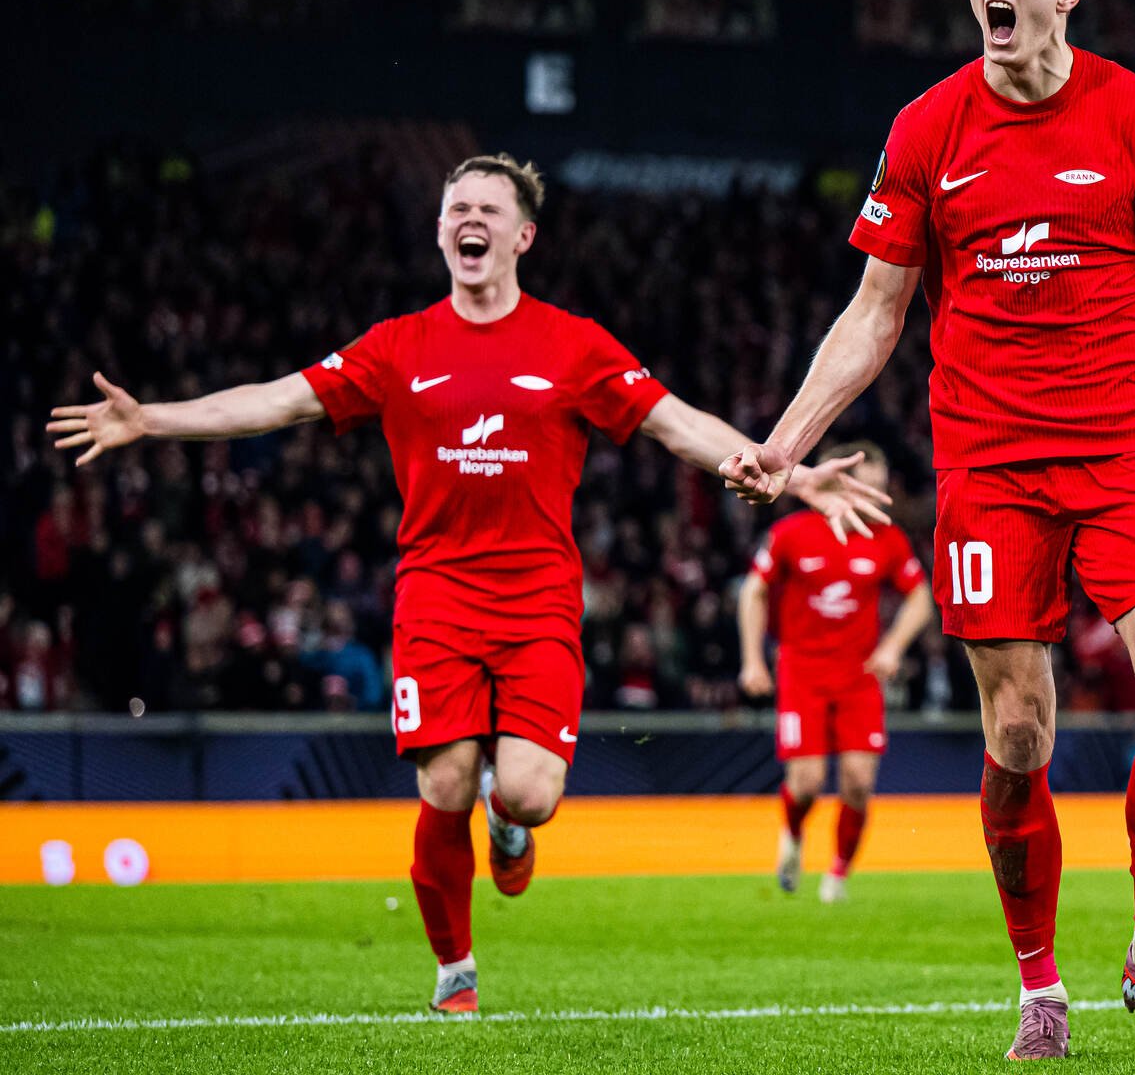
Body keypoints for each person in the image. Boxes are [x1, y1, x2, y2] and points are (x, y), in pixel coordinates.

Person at [47, 154, 887, 1013]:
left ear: (522, 235)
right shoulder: (398, 346)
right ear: (441, 229)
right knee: (443, 783)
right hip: (436, 598)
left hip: (540, 604)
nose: (468, 220)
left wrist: (787, 469)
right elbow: (276, 400)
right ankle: (455, 972)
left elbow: (676, 425)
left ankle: (510, 822)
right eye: (456, 208)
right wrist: (151, 419)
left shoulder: (573, 344)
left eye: (487, 207)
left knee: (527, 792)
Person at [720, 0, 1135, 1058]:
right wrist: (786, 438)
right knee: (1019, 734)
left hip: (1129, 447)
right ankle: (1039, 985)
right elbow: (875, 312)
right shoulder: (928, 129)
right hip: (991, 463)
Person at [737, 440, 935, 903]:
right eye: (868, 488)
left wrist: (892, 647)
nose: (877, 500)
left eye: (882, 490)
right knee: (805, 784)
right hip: (801, 672)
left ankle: (838, 876)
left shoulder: (886, 539)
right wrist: (751, 658)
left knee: (859, 783)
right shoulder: (792, 532)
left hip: (859, 676)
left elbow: (921, 597)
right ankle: (792, 834)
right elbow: (753, 591)